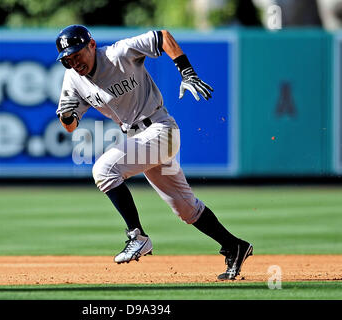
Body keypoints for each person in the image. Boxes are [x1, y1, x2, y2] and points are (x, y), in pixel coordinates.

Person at [55, 24, 253, 280]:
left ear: (91, 45)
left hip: (161, 131)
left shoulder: (118, 54)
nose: (74, 62)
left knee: (104, 170)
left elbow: (162, 37)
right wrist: (67, 116)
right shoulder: (73, 78)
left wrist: (187, 72)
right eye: (67, 59)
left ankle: (136, 236)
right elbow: (70, 126)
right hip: (140, 140)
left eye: (77, 54)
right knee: (185, 209)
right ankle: (234, 246)